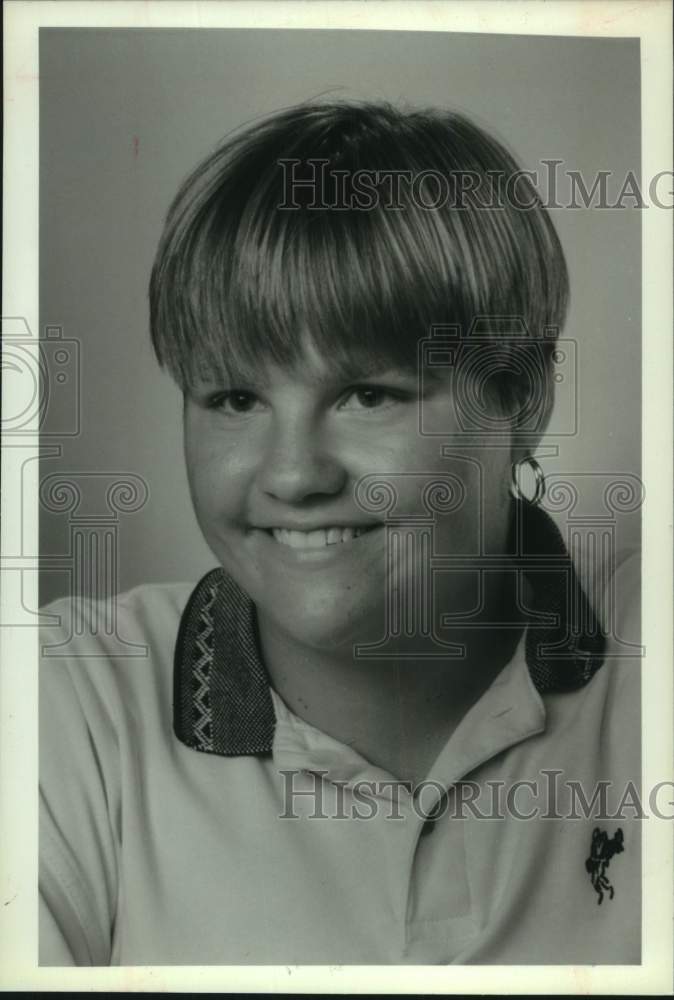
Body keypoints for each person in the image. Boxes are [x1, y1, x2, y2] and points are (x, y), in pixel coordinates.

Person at [39, 101, 640, 965]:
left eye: (369, 393)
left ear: (523, 400)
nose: (292, 475)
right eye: (235, 399)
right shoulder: (69, 702)